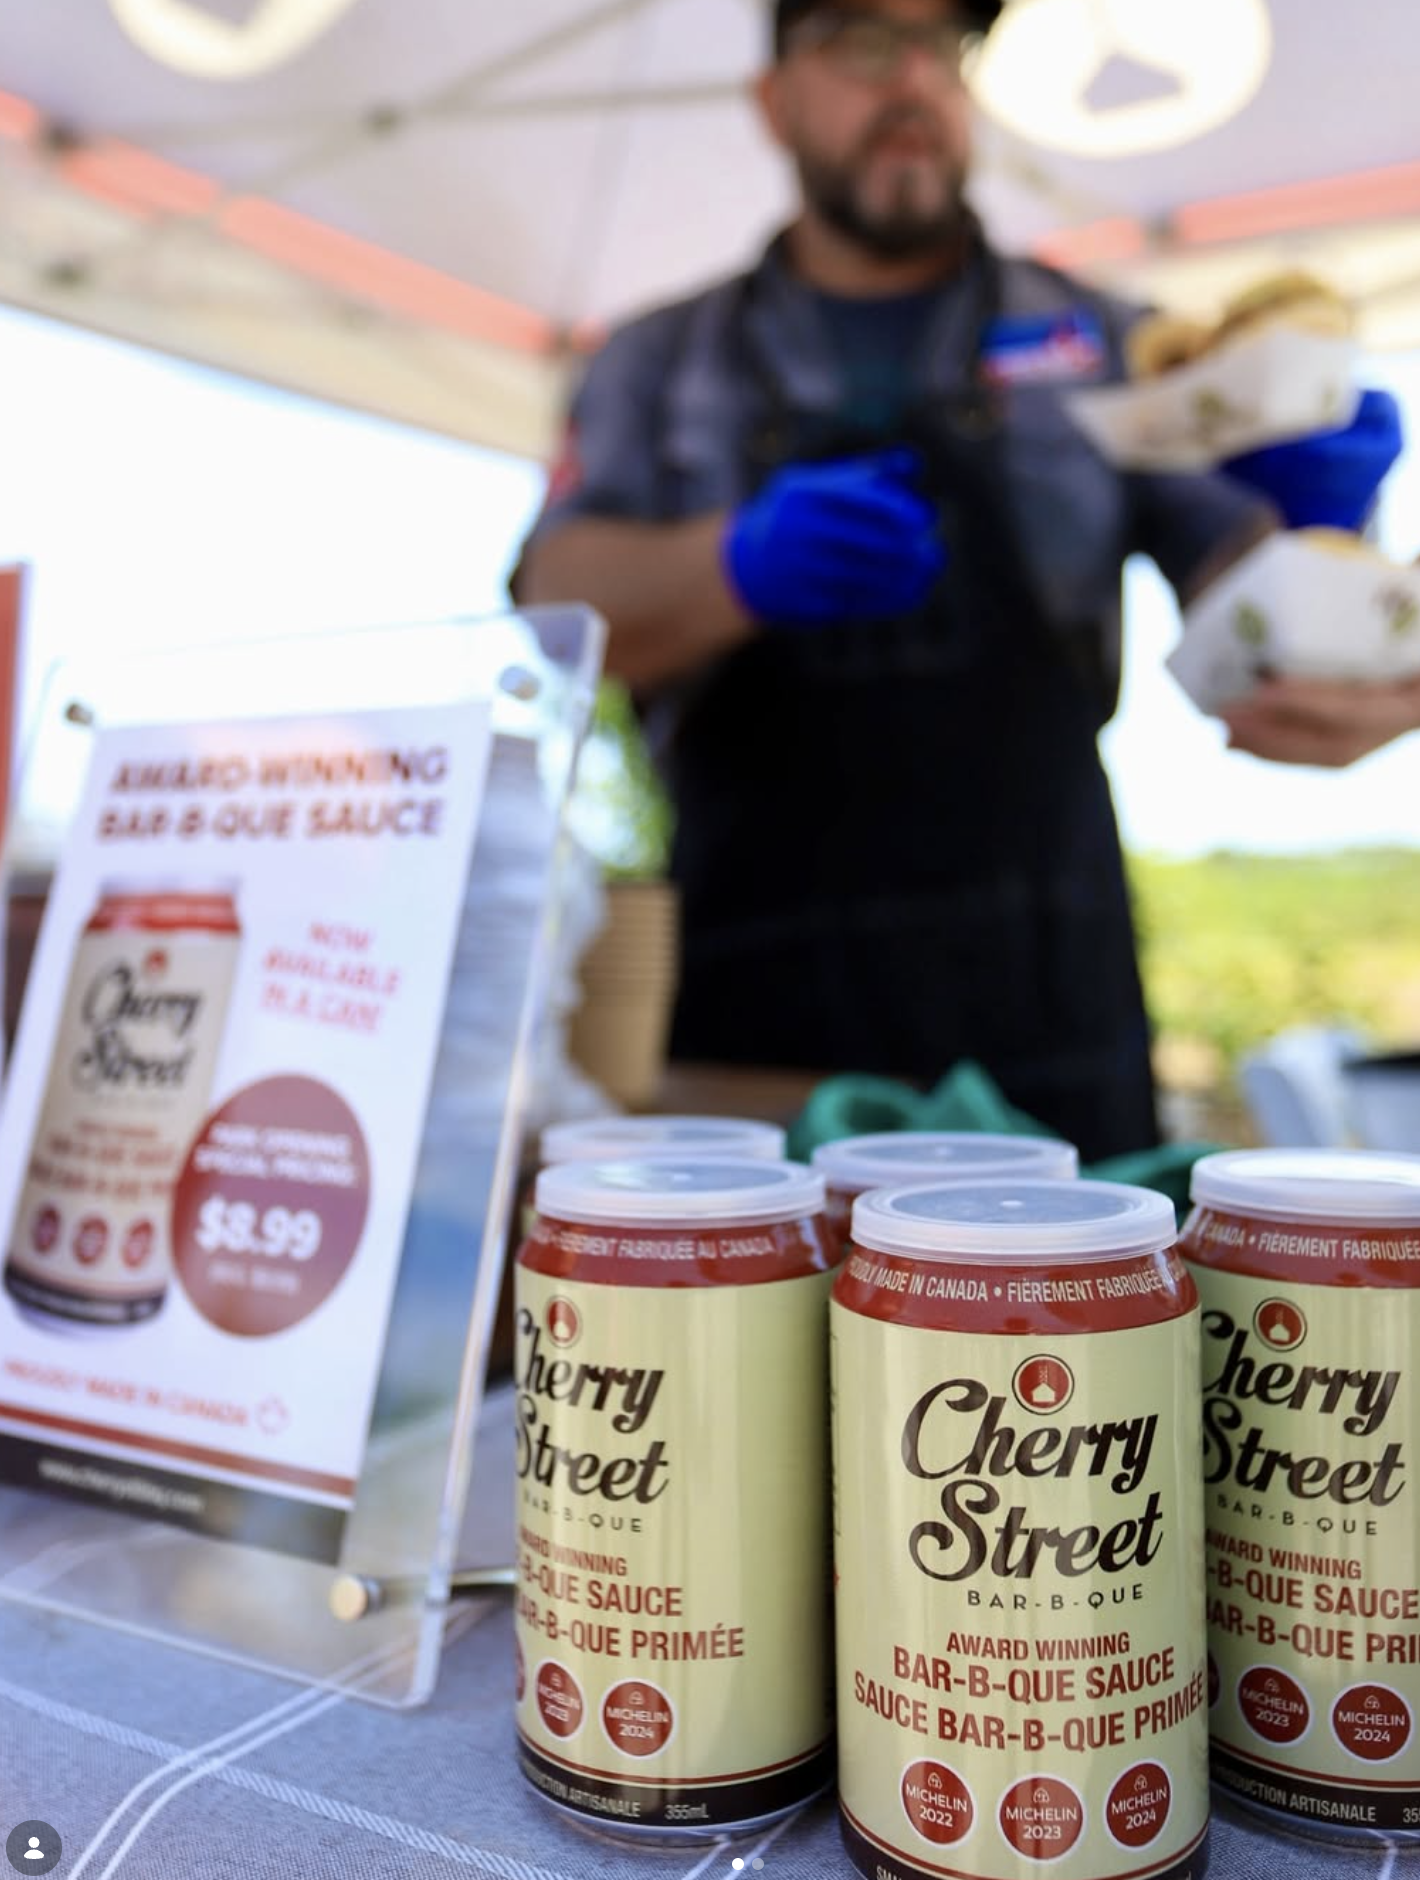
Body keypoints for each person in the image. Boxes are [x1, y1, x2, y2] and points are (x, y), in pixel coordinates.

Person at [513, 0, 1409, 1162]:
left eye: (942, 47)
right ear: (773, 99)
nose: (914, 84)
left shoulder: (1104, 338)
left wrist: (1316, 532)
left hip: (1053, 1005)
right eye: (862, 43)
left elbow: (1256, 626)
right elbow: (556, 609)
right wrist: (732, 563)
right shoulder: (657, 361)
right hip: (760, 1022)